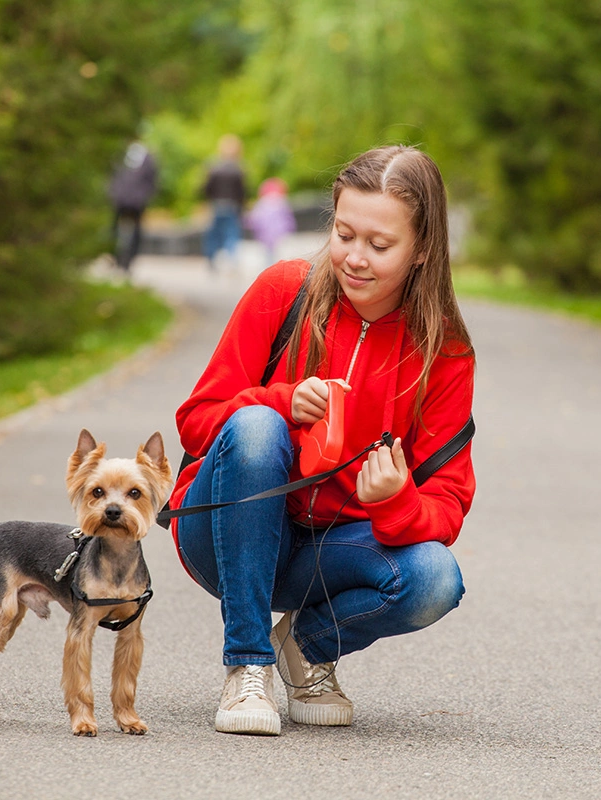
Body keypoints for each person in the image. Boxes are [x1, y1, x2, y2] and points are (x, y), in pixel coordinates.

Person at [168, 145, 476, 736]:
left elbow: (449, 503)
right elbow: (198, 421)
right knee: (257, 426)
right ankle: (247, 665)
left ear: (422, 251)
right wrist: (279, 402)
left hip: (328, 556)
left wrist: (396, 501)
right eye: (343, 234)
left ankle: (306, 648)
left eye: (379, 245)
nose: (355, 258)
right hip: (226, 534)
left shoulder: (445, 352)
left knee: (436, 578)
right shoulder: (284, 291)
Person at [107, 141, 159, 272]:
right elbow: (153, 179)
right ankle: (126, 261)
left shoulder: (120, 153)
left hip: (121, 198)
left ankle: (118, 259)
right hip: (136, 200)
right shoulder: (148, 156)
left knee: (116, 228)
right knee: (135, 230)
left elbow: (112, 175)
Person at [202, 134, 247, 271]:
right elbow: (242, 191)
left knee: (214, 233)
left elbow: (206, 188)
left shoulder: (213, 167)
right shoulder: (238, 169)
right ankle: (231, 259)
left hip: (217, 204)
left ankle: (211, 259)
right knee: (231, 234)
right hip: (232, 206)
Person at [245, 177, 297, 266]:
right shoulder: (282, 202)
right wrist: (291, 228)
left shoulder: (262, 202)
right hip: (279, 230)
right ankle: (276, 265)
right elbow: (288, 217)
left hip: (264, 231)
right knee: (277, 250)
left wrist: (250, 225)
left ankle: (270, 265)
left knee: (268, 251)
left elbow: (255, 217)